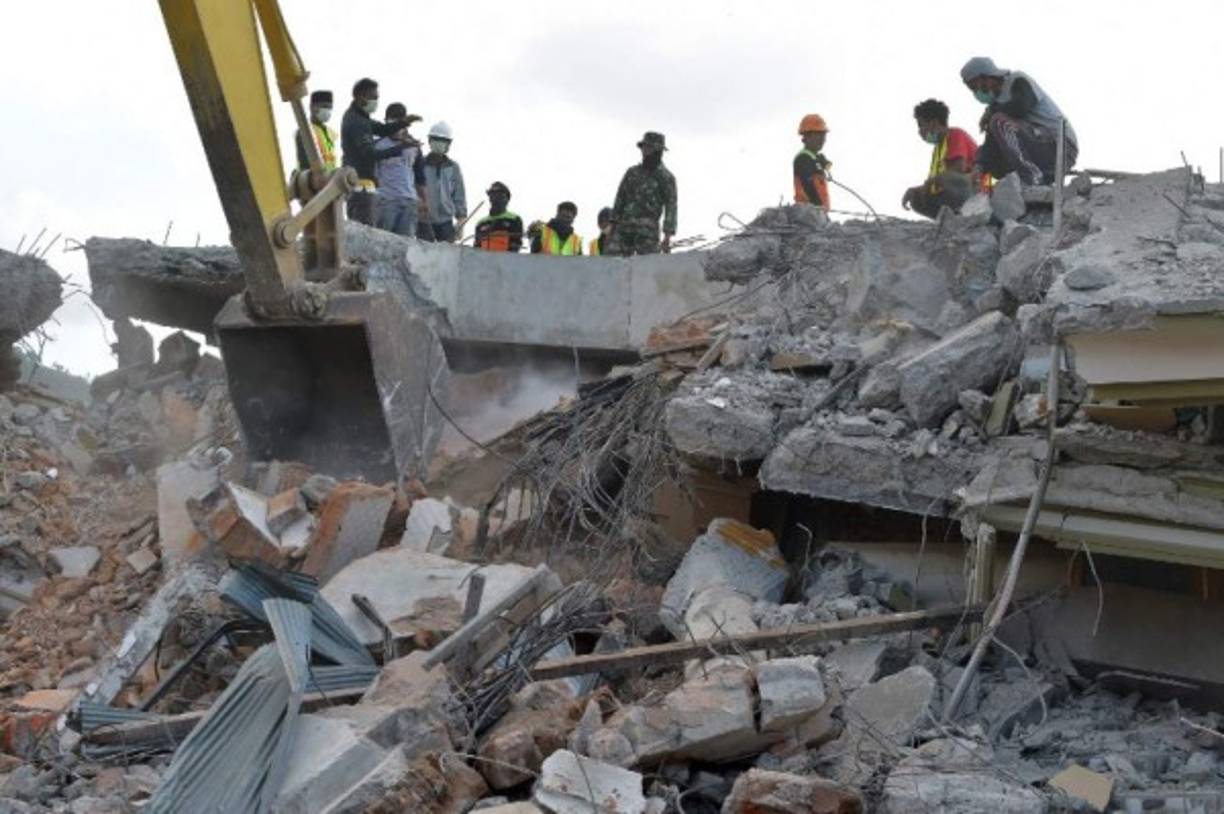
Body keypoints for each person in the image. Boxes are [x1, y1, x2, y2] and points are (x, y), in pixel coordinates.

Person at [961, 57, 1078, 186]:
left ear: (987, 77)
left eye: (976, 87)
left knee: (999, 122)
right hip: (1040, 149)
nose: (977, 93)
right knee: (994, 160)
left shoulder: (1017, 80)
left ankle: (1033, 178)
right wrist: (978, 167)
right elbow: (991, 144)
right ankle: (1025, 179)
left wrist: (991, 112)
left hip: (1061, 147)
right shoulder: (997, 105)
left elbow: (1021, 107)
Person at [341, 78, 416, 225]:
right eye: (373, 97)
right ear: (361, 97)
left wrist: (404, 122)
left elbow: (381, 129)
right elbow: (370, 154)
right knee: (364, 233)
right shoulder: (356, 121)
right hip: (359, 188)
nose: (376, 101)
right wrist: (400, 149)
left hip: (363, 187)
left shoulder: (360, 117)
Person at [901, 99, 978, 218]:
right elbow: (935, 184)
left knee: (947, 178)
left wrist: (930, 183)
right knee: (916, 197)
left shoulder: (956, 134)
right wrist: (917, 190)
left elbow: (958, 170)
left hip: (977, 187)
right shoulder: (938, 149)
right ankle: (948, 220)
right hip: (955, 191)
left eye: (921, 125)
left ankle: (964, 214)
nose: (920, 131)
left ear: (933, 123)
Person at [608, 132, 677, 256]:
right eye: (643, 147)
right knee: (612, 262)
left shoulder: (666, 178)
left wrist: (667, 237)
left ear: (657, 150)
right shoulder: (632, 172)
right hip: (624, 227)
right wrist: (612, 229)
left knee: (646, 267)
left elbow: (671, 207)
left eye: (648, 147)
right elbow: (620, 199)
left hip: (647, 231)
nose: (644, 151)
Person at [373, 103, 427, 237]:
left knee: (406, 246)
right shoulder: (377, 144)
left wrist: (425, 202)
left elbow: (420, 177)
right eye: (391, 122)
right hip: (385, 201)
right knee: (382, 241)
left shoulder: (414, 146)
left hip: (409, 202)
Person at [417, 122, 468, 242]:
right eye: (436, 139)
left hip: (446, 222)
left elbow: (459, 194)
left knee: (447, 257)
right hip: (424, 220)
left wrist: (461, 219)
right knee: (424, 255)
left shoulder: (453, 167)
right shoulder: (420, 164)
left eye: (443, 140)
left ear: (449, 144)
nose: (439, 143)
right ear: (429, 141)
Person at [794, 114, 831, 210]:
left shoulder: (815, 158)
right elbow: (808, 184)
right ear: (807, 136)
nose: (823, 139)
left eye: (824, 135)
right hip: (808, 212)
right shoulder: (803, 158)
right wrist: (819, 206)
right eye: (819, 135)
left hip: (816, 213)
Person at [473, 181, 524, 252]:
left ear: (506, 199)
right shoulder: (481, 223)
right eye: (492, 195)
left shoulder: (514, 219)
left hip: (505, 260)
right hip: (484, 261)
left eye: (498, 195)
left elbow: (516, 244)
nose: (494, 198)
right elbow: (476, 247)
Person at [296, 90, 338, 172]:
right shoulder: (304, 131)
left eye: (330, 108)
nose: (327, 111)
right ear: (312, 107)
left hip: (330, 180)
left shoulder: (330, 132)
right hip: (314, 181)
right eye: (324, 106)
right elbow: (305, 164)